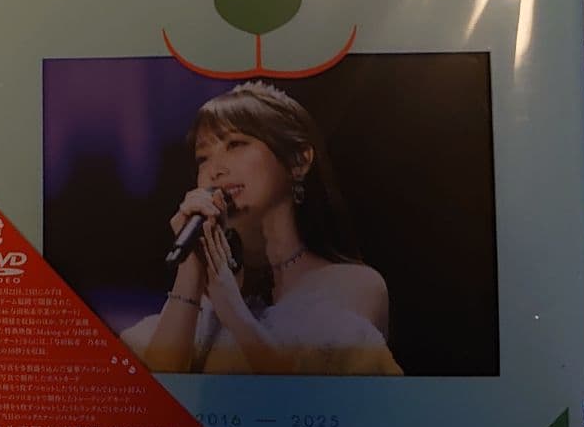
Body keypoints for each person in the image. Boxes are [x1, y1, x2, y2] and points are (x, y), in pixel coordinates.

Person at [120, 81, 403, 376]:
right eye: (203, 158)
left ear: (298, 160)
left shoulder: (354, 285)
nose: (215, 169)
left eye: (235, 144)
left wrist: (233, 311)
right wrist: (190, 267)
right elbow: (157, 389)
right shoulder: (203, 300)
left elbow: (315, 394)